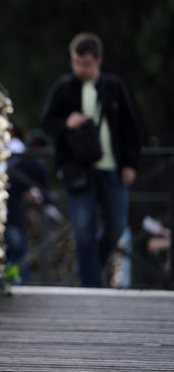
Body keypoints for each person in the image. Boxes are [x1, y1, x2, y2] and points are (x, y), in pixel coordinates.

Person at [41, 32, 141, 287]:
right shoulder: (64, 88)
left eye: (85, 63)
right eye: (76, 63)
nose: (80, 68)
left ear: (98, 61)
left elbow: (130, 127)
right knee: (83, 228)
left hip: (112, 168)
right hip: (78, 170)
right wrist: (67, 122)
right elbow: (46, 124)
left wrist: (130, 164)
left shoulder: (114, 87)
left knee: (117, 226)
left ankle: (88, 265)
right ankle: (91, 284)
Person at [4, 120, 50, 283]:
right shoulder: (26, 158)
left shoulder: (9, 153)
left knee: (9, 255)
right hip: (13, 214)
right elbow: (43, 193)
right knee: (18, 255)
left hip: (3, 210)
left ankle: (8, 283)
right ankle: (16, 285)